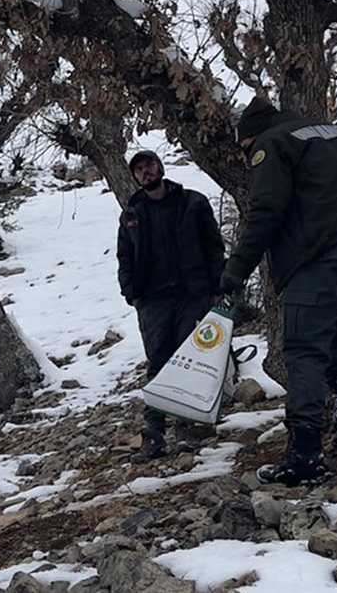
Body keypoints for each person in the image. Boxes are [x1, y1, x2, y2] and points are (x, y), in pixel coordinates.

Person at [218, 97, 337, 486]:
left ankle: (305, 453)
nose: (246, 155)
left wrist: (236, 269)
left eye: (244, 148)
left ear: (251, 135)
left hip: (322, 256)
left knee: (304, 349)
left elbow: (267, 209)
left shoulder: (271, 143)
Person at [117, 149, 226, 463]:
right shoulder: (131, 215)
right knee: (158, 362)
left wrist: (215, 287)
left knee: (187, 359)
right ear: (135, 176)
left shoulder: (193, 202)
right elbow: (124, 257)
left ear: (160, 166)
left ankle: (186, 428)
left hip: (192, 294)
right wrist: (131, 293)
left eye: (149, 165)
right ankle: (155, 432)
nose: (145, 172)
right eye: (139, 169)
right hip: (152, 299)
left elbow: (213, 245)